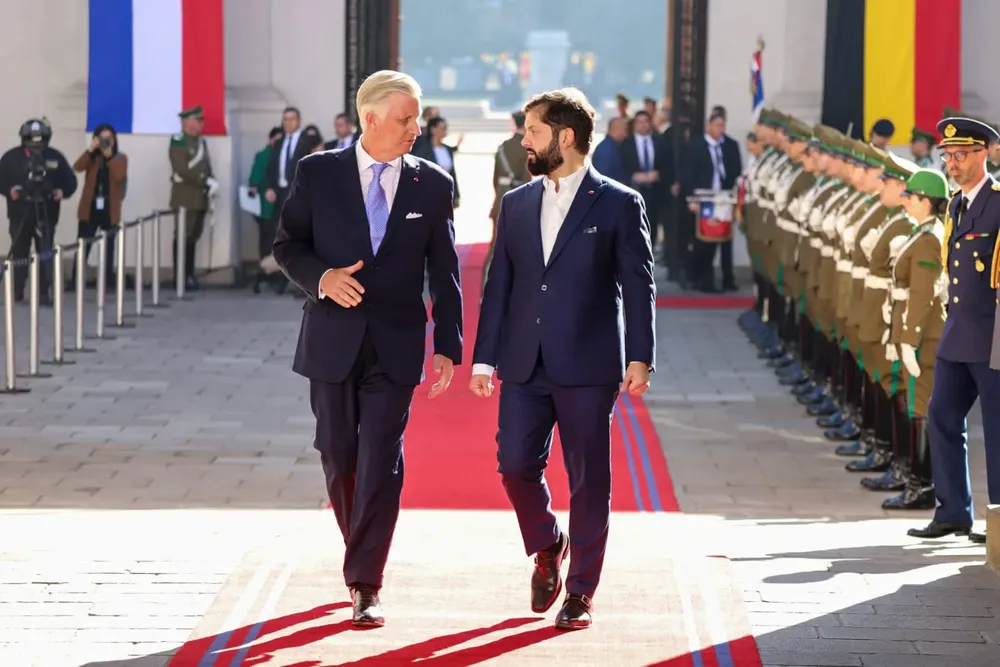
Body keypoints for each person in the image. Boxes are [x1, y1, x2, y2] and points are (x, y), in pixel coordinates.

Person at [271, 70, 463, 627]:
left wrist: (447, 344)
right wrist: (323, 278)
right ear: (371, 118)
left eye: (419, 117)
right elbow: (288, 245)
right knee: (337, 452)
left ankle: (365, 581)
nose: (415, 128)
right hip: (331, 339)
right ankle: (362, 547)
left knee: (382, 458)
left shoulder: (432, 183)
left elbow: (445, 270)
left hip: (397, 345)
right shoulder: (318, 172)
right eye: (406, 118)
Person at [469, 87, 655, 630]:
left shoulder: (620, 203)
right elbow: (498, 287)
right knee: (515, 466)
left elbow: (638, 287)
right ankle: (549, 542)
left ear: (564, 137)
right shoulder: (517, 203)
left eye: (533, 130)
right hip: (524, 364)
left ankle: (580, 594)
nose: (523, 139)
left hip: (589, 366)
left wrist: (640, 356)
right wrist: (484, 359)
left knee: (588, 480)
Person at [909, 117, 1000, 545]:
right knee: (941, 415)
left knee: (997, 428)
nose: (952, 164)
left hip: (992, 337)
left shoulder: (997, 202)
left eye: (961, 155)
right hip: (958, 333)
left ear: (984, 154)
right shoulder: (958, 205)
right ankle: (953, 511)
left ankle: (998, 517)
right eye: (947, 156)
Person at [879, 168, 949, 510]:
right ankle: (917, 480)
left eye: (911, 196)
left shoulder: (929, 238)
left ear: (926, 201)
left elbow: (923, 295)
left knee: (921, 408)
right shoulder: (921, 232)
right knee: (915, 406)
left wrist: (908, 339)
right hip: (915, 331)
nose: (905, 200)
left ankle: (923, 486)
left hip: (924, 336)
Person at [70, 123, 128, 290]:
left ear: (114, 140)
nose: (105, 142)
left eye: (108, 139)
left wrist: (109, 157)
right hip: (90, 208)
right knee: (83, 245)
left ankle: (107, 280)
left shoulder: (120, 158)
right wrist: (90, 150)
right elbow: (77, 167)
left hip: (110, 209)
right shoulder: (92, 158)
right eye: (101, 139)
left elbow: (119, 177)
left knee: (109, 247)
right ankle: (76, 280)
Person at [169, 105, 217, 291]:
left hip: (200, 197)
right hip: (185, 197)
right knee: (182, 236)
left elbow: (206, 165)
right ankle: (179, 277)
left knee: (193, 237)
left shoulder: (201, 142)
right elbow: (182, 168)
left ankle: (189, 274)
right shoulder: (178, 140)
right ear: (187, 122)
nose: (201, 124)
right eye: (198, 120)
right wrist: (204, 181)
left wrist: (212, 181)